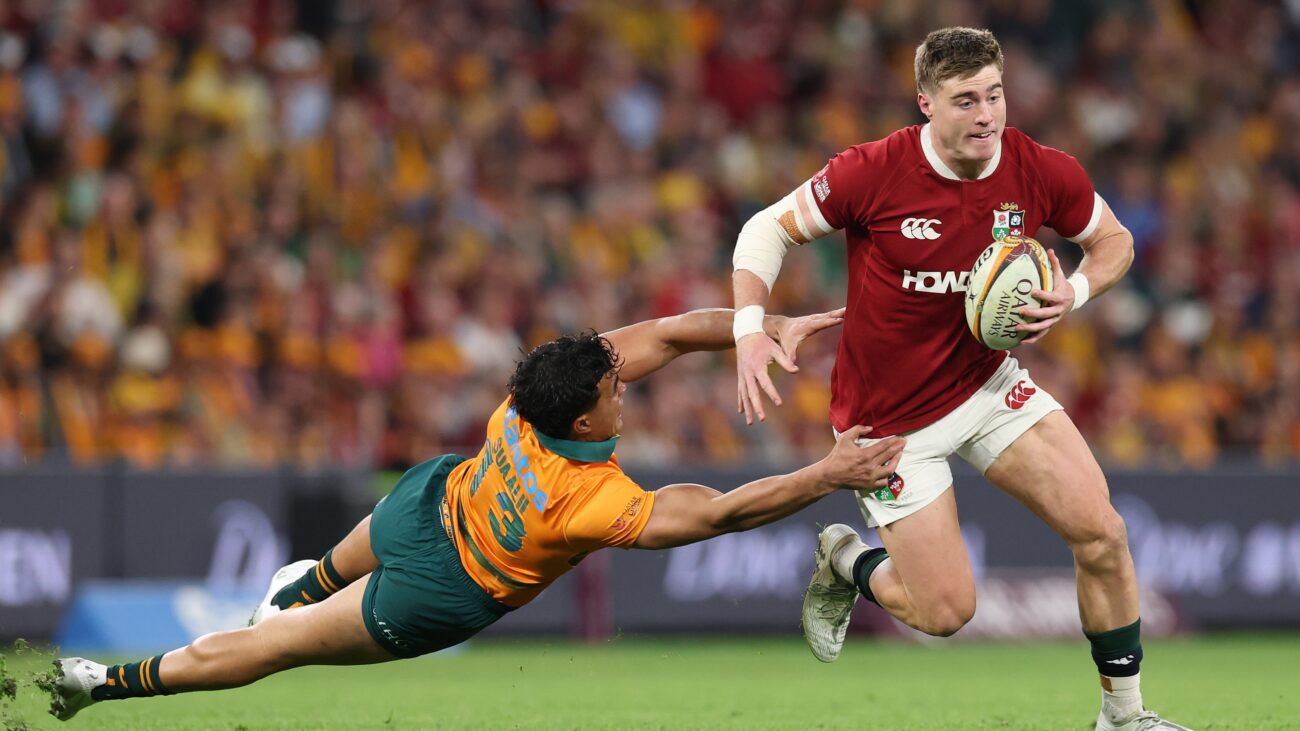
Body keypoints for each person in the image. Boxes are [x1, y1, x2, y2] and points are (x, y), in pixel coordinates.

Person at [49, 306, 905, 721]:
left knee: (287, 617)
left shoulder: (525, 395)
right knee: (272, 644)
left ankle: (109, 679)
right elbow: (719, 514)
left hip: (436, 508)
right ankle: (136, 672)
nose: (623, 398)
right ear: (582, 420)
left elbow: (672, 336)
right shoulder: (591, 498)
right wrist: (830, 471)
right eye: (614, 393)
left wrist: (763, 327)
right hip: (440, 566)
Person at [730, 27, 1190, 731]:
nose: (987, 115)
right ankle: (850, 559)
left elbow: (1114, 240)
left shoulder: (1038, 168)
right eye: (966, 100)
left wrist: (1076, 291)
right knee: (945, 613)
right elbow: (766, 229)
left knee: (1103, 532)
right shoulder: (872, 170)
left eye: (995, 95)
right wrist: (747, 331)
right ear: (926, 104)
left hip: (987, 387)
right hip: (888, 422)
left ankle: (1124, 719)